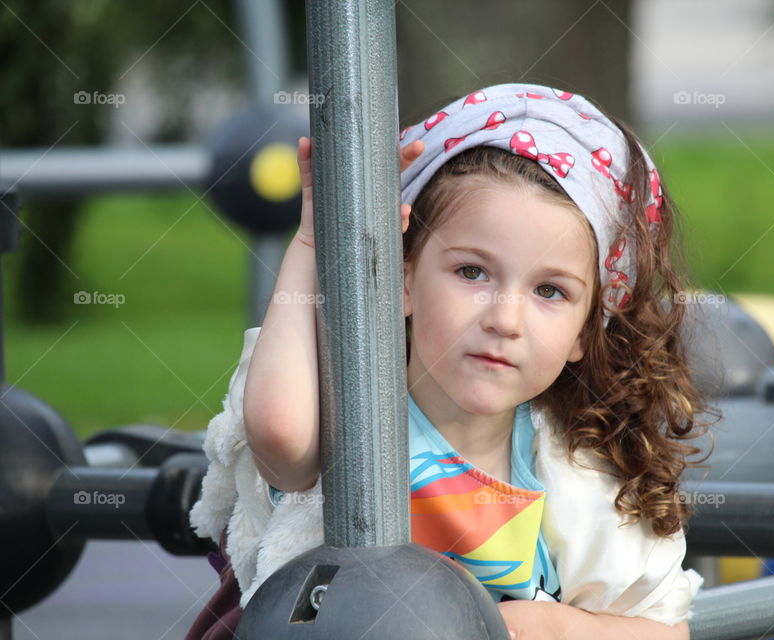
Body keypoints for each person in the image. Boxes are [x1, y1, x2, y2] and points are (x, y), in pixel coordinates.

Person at [186, 82, 718, 640]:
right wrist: (317, 245)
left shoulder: (578, 476)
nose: (505, 319)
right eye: (472, 272)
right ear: (405, 278)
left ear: (587, 331)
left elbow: (663, 630)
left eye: (550, 291)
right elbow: (279, 436)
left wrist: (552, 625)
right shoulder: (348, 407)